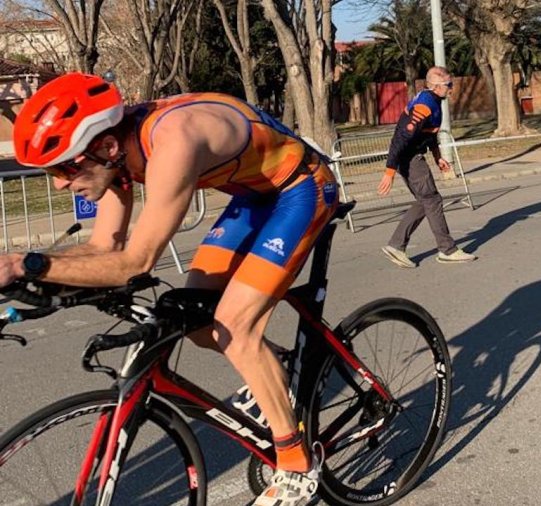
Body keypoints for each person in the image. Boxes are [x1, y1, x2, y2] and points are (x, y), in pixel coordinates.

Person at [4, 72, 338, 506]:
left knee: (235, 327)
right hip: (252, 197)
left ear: (104, 147)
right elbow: (103, 246)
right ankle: (278, 375)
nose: (61, 184)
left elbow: (135, 262)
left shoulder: (174, 141)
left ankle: (296, 463)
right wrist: (23, 269)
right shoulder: (113, 155)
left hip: (300, 189)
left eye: (65, 168)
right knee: (199, 323)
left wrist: (29, 265)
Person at [377, 66, 477, 268]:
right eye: (449, 85)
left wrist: (438, 156)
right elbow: (401, 138)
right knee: (432, 199)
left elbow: (429, 133)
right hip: (410, 159)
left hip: (412, 157)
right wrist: (389, 172)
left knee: (426, 201)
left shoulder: (433, 100)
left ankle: (396, 245)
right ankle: (447, 250)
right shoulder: (425, 104)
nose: (452, 88)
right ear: (437, 86)